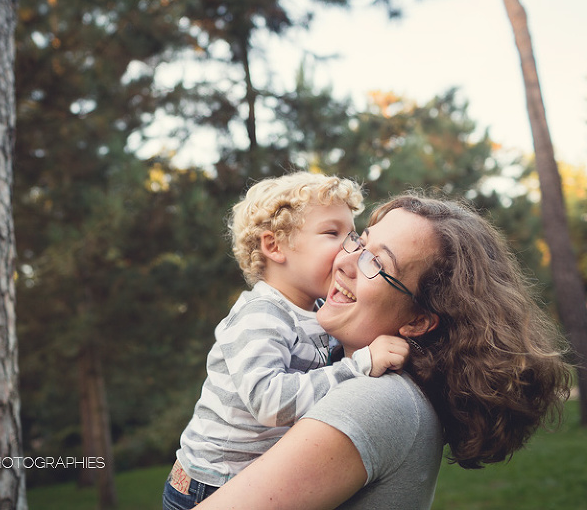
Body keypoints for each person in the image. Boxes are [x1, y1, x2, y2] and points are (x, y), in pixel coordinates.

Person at [196, 193, 573, 510]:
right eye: (360, 242)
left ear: (419, 321)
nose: (344, 261)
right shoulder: (373, 381)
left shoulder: (373, 400)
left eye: (376, 263)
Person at [162, 173, 411, 510]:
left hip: (255, 478)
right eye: (332, 233)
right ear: (274, 246)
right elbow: (270, 402)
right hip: (210, 485)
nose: (349, 248)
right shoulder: (261, 315)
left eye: (352, 235)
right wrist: (361, 364)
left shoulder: (317, 309)